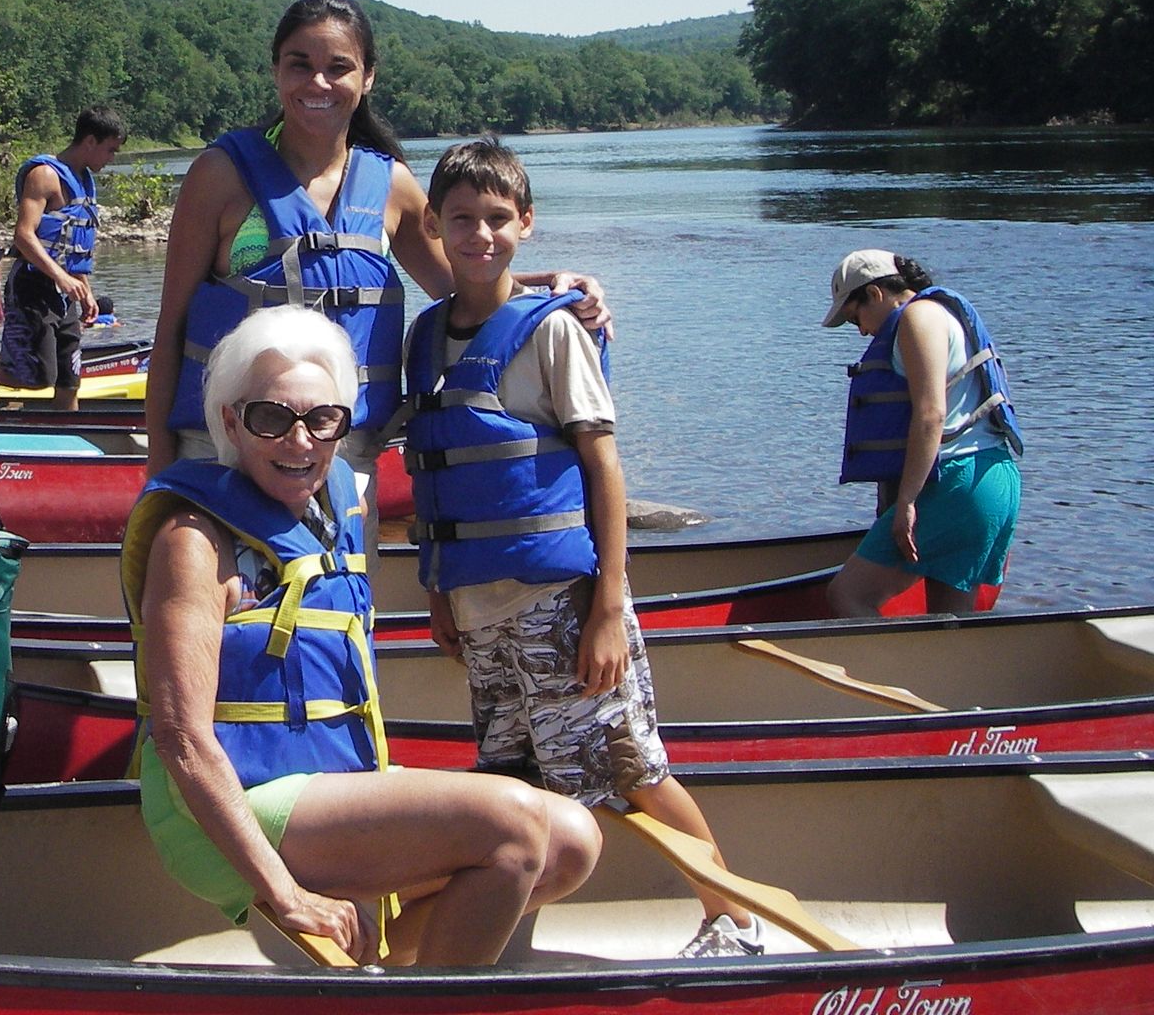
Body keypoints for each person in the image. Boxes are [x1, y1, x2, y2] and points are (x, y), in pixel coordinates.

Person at [124, 304, 600, 965]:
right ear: (231, 421)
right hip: (231, 805)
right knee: (513, 822)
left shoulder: (335, 509)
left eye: (322, 420)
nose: (300, 443)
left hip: (327, 785)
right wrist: (285, 892)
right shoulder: (193, 540)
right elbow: (181, 739)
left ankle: (391, 974)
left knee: (572, 839)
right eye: (271, 417)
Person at [403, 138, 762, 959]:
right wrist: (436, 593)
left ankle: (733, 918)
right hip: (479, 611)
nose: (481, 234)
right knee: (511, 786)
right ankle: (493, 944)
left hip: (562, 605)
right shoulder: (423, 340)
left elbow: (604, 470)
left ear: (526, 225)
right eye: (462, 218)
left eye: (499, 219)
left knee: (630, 771)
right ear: (434, 223)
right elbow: (433, 481)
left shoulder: (552, 333)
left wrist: (607, 605)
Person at [144, 0, 606, 500]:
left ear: (366, 78)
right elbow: (171, 330)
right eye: (300, 65)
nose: (318, 82)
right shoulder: (219, 175)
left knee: (338, 583)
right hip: (222, 452)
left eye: (338, 67)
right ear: (276, 70)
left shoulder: (393, 185)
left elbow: (465, 285)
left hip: (344, 456)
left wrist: (552, 290)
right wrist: (160, 482)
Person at [821, 249, 1024, 618]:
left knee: (848, 596)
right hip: (992, 478)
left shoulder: (917, 317)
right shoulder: (939, 314)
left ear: (875, 294)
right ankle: (942, 677)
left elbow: (931, 413)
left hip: (957, 481)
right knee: (949, 622)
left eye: (856, 319)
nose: (863, 331)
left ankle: (881, 675)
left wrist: (908, 502)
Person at [0, 104, 126, 409]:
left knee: (70, 379)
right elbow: (24, 235)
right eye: (110, 150)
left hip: (65, 293)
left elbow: (73, 247)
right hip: (33, 287)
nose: (111, 159)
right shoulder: (44, 175)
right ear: (90, 141)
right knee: (38, 375)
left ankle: (69, 439)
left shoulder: (83, 182)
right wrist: (62, 279)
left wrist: (86, 292)